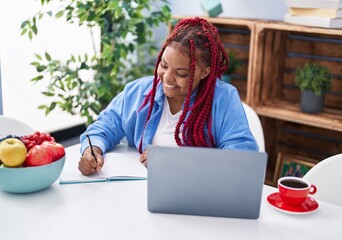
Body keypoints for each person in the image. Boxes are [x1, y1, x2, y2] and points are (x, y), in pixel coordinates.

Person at [78, 17, 258, 176]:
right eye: (164, 65)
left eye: (181, 73)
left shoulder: (223, 99)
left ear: (204, 72)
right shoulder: (139, 92)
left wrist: (177, 160)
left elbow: (242, 158)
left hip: (196, 197)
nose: (167, 78)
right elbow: (104, 127)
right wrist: (92, 151)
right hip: (138, 191)